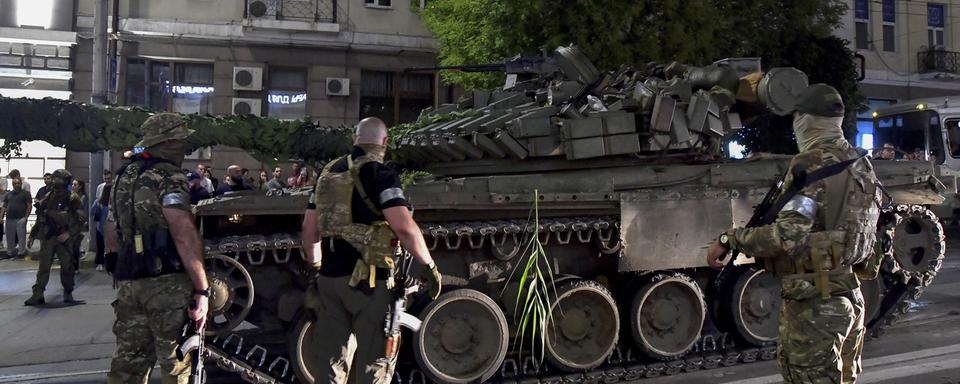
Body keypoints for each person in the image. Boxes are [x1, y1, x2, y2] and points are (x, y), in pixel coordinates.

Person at [707, 84, 879, 383]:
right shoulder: (861, 163)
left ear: (804, 120)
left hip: (815, 304)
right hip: (849, 292)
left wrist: (730, 239)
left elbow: (786, 236)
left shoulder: (809, 164)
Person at [301, 117, 442, 383]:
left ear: (355, 139)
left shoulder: (327, 174)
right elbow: (404, 227)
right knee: (375, 364)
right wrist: (429, 266)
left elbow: (310, 229)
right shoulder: (381, 174)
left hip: (330, 281)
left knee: (330, 363)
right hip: (369, 284)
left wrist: (317, 270)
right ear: (385, 142)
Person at [105, 112, 209, 383]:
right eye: (181, 141)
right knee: (176, 365)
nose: (184, 147)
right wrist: (202, 288)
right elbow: (182, 230)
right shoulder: (169, 175)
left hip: (129, 281)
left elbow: (111, 230)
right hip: (166, 285)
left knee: (128, 365)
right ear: (168, 141)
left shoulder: (123, 175)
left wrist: (119, 264)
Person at [24, 169, 84, 305]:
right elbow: (41, 217)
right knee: (43, 267)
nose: (56, 181)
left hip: (64, 238)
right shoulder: (48, 197)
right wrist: (33, 235)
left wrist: (69, 233)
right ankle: (38, 294)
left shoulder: (72, 198)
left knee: (67, 267)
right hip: (48, 237)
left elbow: (81, 218)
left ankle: (68, 292)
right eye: (55, 178)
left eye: (59, 179)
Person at [2, 177, 32, 259]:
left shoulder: (26, 194)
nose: (16, 185)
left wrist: (25, 217)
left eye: (18, 183)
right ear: (12, 184)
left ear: (21, 184)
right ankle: (10, 252)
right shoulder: (8, 194)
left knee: (21, 237)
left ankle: (21, 253)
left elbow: (29, 206)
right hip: (9, 219)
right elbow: (4, 206)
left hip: (20, 218)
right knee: (9, 237)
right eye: (14, 183)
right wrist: (1, 217)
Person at [90, 184, 112, 271]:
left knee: (100, 246)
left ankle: (100, 263)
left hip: (100, 227)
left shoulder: (98, 202)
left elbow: (92, 212)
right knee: (111, 247)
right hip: (111, 228)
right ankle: (111, 264)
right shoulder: (114, 202)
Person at [70, 178, 89, 271]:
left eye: (75, 184)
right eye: (72, 184)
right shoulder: (70, 195)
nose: (73, 186)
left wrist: (83, 221)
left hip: (78, 224)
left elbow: (85, 211)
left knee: (76, 245)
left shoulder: (83, 197)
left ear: (80, 186)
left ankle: (75, 266)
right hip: (70, 223)